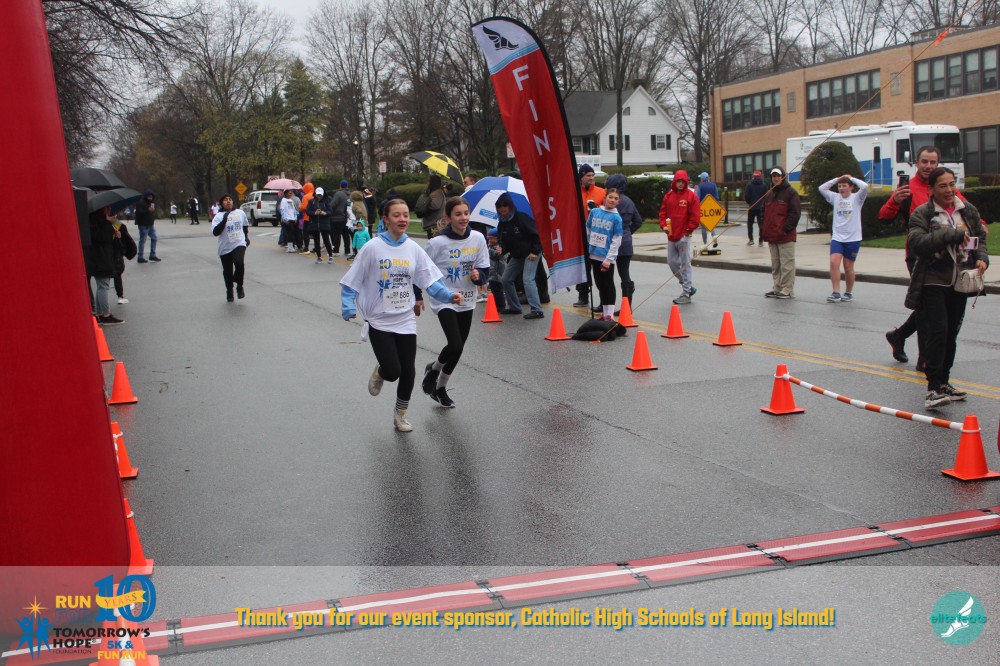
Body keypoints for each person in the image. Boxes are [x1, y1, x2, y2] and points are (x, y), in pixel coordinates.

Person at [340, 199, 462, 432]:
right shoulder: (372, 248)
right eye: (397, 215)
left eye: (406, 214)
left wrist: (448, 296)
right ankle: (381, 371)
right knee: (393, 371)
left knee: (408, 371)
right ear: (386, 219)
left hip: (405, 318)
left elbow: (429, 279)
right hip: (379, 320)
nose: (403, 219)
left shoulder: (413, 248)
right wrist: (348, 305)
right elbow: (352, 280)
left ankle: (400, 415)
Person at [880, 146, 971, 367]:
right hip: (918, 254)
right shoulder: (908, 189)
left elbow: (968, 212)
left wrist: (981, 227)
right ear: (916, 163)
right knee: (928, 305)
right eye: (924, 161)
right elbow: (883, 216)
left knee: (932, 305)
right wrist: (895, 201)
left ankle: (899, 335)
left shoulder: (946, 188)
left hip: (946, 256)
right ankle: (925, 359)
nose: (928, 166)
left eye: (932, 162)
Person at [905, 167, 988, 409]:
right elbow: (918, 244)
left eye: (952, 184)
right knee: (938, 332)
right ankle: (932, 388)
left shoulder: (967, 210)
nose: (949, 190)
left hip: (961, 281)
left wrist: (982, 258)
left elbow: (980, 238)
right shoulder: (923, 213)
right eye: (943, 186)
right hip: (933, 280)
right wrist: (951, 234)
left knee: (951, 334)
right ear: (931, 189)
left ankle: (944, 382)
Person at [419, 197, 490, 407]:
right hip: (444, 299)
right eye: (458, 214)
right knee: (455, 343)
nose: (463, 218)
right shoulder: (437, 243)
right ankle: (433, 371)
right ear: (448, 217)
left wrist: (479, 276)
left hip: (467, 298)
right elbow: (421, 269)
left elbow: (484, 268)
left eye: (466, 213)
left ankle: (440, 388)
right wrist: (416, 295)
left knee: (458, 349)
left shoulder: (478, 238)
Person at [818, 174, 868, 303]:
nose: (841, 188)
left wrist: (851, 178)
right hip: (838, 238)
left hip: (853, 238)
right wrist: (837, 179)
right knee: (834, 262)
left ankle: (848, 292)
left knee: (848, 266)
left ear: (851, 187)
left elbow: (865, 186)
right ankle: (836, 292)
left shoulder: (857, 198)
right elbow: (821, 188)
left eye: (844, 185)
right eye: (839, 186)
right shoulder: (835, 197)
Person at [495, 192, 544, 319]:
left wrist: (535, 251)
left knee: (527, 280)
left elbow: (537, 235)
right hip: (518, 255)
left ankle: (537, 310)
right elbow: (504, 242)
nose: (502, 208)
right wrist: (502, 249)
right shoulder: (502, 223)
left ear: (510, 206)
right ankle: (515, 307)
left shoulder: (522, 218)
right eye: (499, 206)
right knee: (506, 279)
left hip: (531, 253)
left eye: (505, 205)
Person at [657, 169, 701, 304]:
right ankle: (687, 285)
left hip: (684, 236)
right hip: (671, 235)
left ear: (686, 182)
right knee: (672, 262)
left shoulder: (691, 196)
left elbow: (695, 217)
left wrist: (687, 231)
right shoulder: (668, 196)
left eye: (682, 181)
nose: (680, 184)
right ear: (674, 182)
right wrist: (663, 225)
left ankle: (686, 293)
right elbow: (662, 213)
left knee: (685, 264)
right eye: (678, 181)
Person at [603, 174, 642, 310]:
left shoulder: (611, 200)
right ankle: (627, 306)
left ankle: (606, 304)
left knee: (606, 276)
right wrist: (627, 232)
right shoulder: (629, 201)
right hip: (625, 242)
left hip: (610, 242)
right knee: (624, 273)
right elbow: (638, 221)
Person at [762, 167, 800, 299]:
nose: (776, 178)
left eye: (778, 176)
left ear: (783, 177)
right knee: (776, 265)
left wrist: (785, 229)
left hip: (785, 236)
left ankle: (787, 289)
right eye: (773, 176)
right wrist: (764, 229)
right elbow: (763, 213)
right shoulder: (769, 194)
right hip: (772, 236)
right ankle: (777, 287)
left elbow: (795, 213)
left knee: (787, 264)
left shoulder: (791, 193)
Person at [586, 188, 624, 321]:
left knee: (608, 284)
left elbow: (617, 239)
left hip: (606, 257)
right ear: (605, 198)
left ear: (618, 202)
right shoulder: (595, 212)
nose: (612, 200)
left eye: (615, 198)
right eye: (610, 197)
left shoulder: (616, 218)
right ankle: (604, 311)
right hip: (593, 254)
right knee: (599, 284)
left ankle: (609, 314)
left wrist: (609, 259)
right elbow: (588, 229)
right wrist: (588, 246)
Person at [574, 163, 606, 306]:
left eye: (593, 175)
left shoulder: (601, 192)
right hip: (581, 234)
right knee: (583, 266)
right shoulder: (574, 192)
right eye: (588, 175)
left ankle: (603, 299)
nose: (591, 178)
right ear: (581, 177)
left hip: (597, 234)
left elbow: (609, 211)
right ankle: (583, 295)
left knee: (598, 268)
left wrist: (597, 208)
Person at [87, 206, 124, 325]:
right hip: (102, 257)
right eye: (106, 208)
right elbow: (102, 238)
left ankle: (99, 313)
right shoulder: (99, 223)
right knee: (103, 285)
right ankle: (105, 314)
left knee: (101, 286)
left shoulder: (94, 221)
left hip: (99, 257)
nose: (109, 210)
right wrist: (109, 225)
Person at [211, 194, 250, 302]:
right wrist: (224, 220)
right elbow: (215, 232)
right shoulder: (218, 216)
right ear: (221, 203)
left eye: (230, 199)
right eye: (225, 200)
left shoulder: (240, 213)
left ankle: (239, 285)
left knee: (239, 263)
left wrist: (246, 237)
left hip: (239, 243)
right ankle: (229, 290)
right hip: (225, 247)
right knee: (227, 271)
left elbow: (245, 225)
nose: (228, 201)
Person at [306, 186, 335, 263]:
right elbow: (308, 211)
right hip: (314, 223)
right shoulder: (311, 201)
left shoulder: (326, 201)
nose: (319, 196)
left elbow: (330, 211)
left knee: (326, 240)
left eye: (320, 194)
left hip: (324, 223)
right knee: (316, 241)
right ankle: (319, 257)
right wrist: (314, 213)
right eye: (318, 194)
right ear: (315, 193)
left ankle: (331, 256)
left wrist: (325, 213)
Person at [112, 216, 135, 304]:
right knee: (111, 277)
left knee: (116, 275)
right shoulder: (117, 225)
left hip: (115, 254)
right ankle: (120, 296)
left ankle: (120, 295)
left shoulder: (118, 225)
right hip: (112, 254)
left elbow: (125, 241)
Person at [695, 172, 719, 250]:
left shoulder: (700, 186)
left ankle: (705, 243)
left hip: (703, 208)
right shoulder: (714, 185)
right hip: (712, 208)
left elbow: (697, 198)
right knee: (711, 224)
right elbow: (717, 197)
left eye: (700, 178)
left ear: (702, 178)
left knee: (704, 226)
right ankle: (714, 236)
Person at [135, 189, 160, 263]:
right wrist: (147, 210)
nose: (150, 198)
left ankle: (152, 255)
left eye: (151, 197)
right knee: (142, 241)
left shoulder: (151, 203)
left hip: (150, 224)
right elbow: (139, 212)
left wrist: (151, 211)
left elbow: (151, 212)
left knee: (154, 238)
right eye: (149, 196)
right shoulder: (141, 203)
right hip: (143, 225)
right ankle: (140, 257)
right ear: (146, 196)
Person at [744, 170, 767, 246]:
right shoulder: (764, 185)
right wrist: (763, 204)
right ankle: (761, 241)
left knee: (750, 224)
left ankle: (751, 240)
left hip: (752, 207)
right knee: (761, 224)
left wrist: (750, 203)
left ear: (753, 176)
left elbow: (746, 196)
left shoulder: (749, 185)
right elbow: (767, 196)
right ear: (760, 176)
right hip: (761, 208)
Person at [486, 228, 507, 310]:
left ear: (498, 238)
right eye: (488, 239)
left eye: (492, 238)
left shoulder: (499, 247)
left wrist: (489, 248)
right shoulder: (493, 246)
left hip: (497, 272)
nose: (489, 240)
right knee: (494, 289)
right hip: (493, 272)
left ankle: (500, 306)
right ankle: (497, 305)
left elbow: (496, 256)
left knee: (497, 290)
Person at [330, 180, 351, 255]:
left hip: (337, 217)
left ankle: (336, 250)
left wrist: (329, 211)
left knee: (336, 234)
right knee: (346, 234)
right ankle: (347, 250)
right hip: (347, 217)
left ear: (340, 186)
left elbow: (333, 204)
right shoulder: (350, 194)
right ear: (347, 186)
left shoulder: (338, 194)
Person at [298, 182, 315, 254]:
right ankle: (316, 248)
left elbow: (304, 207)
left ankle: (306, 248)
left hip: (307, 217)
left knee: (305, 233)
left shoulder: (306, 197)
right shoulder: (316, 195)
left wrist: (300, 206)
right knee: (315, 234)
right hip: (316, 218)